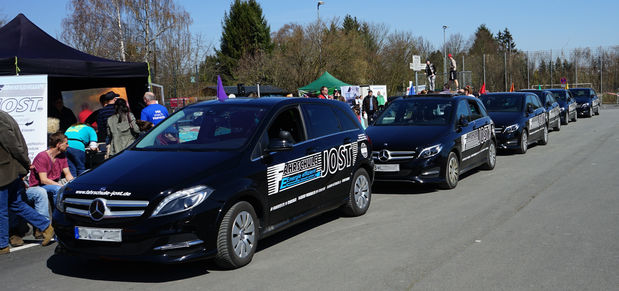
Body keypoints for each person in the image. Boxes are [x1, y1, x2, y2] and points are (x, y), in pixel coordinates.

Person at [1, 110, 55, 254]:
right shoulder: (4, 116)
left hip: (5, 172)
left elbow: (13, 146)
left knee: (3, 209)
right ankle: (45, 226)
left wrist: (26, 163)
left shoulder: (1, 118)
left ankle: (2, 244)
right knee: (16, 204)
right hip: (10, 170)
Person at [29, 132, 74, 205]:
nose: (68, 145)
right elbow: (44, 180)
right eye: (66, 143)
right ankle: (58, 214)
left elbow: (68, 174)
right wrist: (61, 186)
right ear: (58, 144)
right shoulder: (42, 156)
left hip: (53, 184)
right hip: (39, 187)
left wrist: (73, 185)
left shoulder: (62, 156)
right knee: (58, 189)